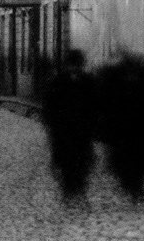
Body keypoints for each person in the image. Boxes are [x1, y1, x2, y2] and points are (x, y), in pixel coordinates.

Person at [42, 49, 96, 197]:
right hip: (64, 129)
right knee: (65, 158)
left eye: (77, 65)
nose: (74, 68)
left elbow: (95, 104)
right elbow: (50, 105)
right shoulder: (59, 81)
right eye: (73, 65)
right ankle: (69, 185)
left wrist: (91, 124)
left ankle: (78, 184)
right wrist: (52, 124)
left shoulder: (88, 82)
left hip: (81, 129)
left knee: (81, 158)